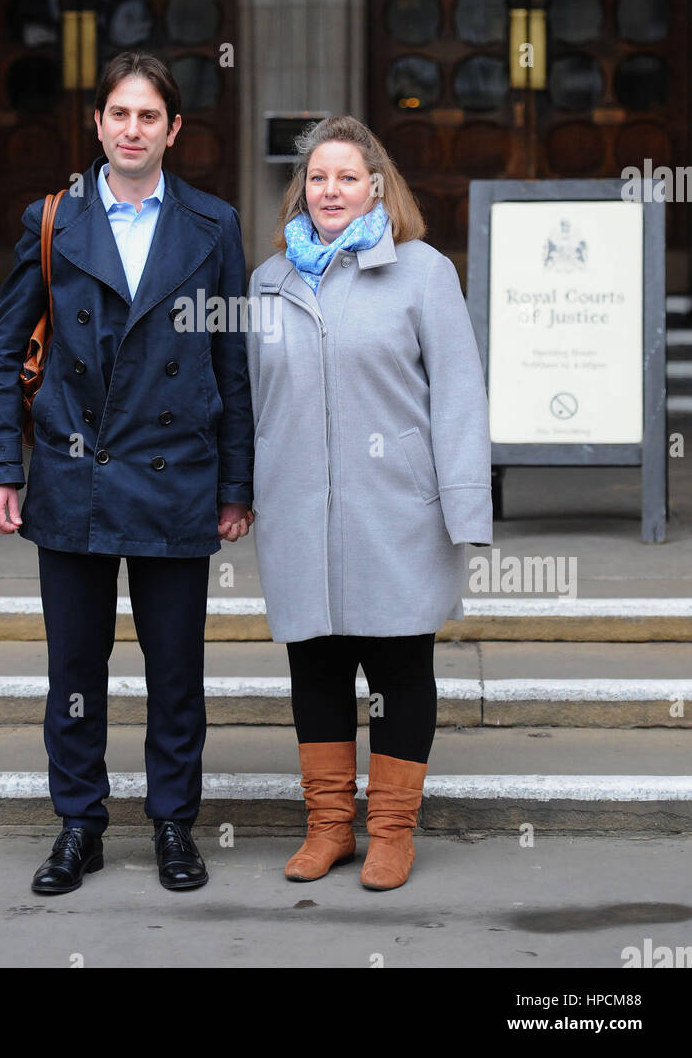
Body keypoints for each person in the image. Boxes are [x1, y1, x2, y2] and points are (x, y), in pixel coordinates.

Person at [0, 51, 254, 894]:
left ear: (174, 130)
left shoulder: (213, 225)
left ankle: (173, 824)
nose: (132, 130)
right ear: (97, 125)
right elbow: (2, 353)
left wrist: (235, 485)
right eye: (118, 115)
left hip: (177, 479)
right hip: (74, 475)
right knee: (75, 670)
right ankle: (79, 826)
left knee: (176, 669)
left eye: (149, 117)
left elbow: (230, 361)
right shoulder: (52, 219)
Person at [245, 115, 492, 891]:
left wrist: (464, 510)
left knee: (398, 670)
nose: (330, 190)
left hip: (398, 515)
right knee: (313, 670)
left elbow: (457, 396)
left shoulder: (421, 272)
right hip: (299, 514)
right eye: (317, 177)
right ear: (300, 189)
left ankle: (389, 831)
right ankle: (328, 829)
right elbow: (250, 403)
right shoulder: (268, 281)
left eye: (347, 177)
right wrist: (238, 494)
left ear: (375, 188)